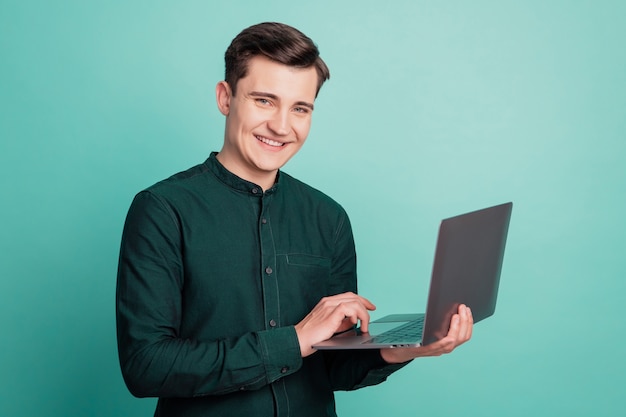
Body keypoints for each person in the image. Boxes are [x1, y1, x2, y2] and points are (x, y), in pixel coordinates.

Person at [116, 22, 473, 417]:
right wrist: (295, 339)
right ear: (225, 98)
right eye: (264, 101)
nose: (282, 127)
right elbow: (146, 366)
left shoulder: (329, 218)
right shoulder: (163, 209)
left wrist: (405, 346)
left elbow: (331, 367)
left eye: (300, 108)